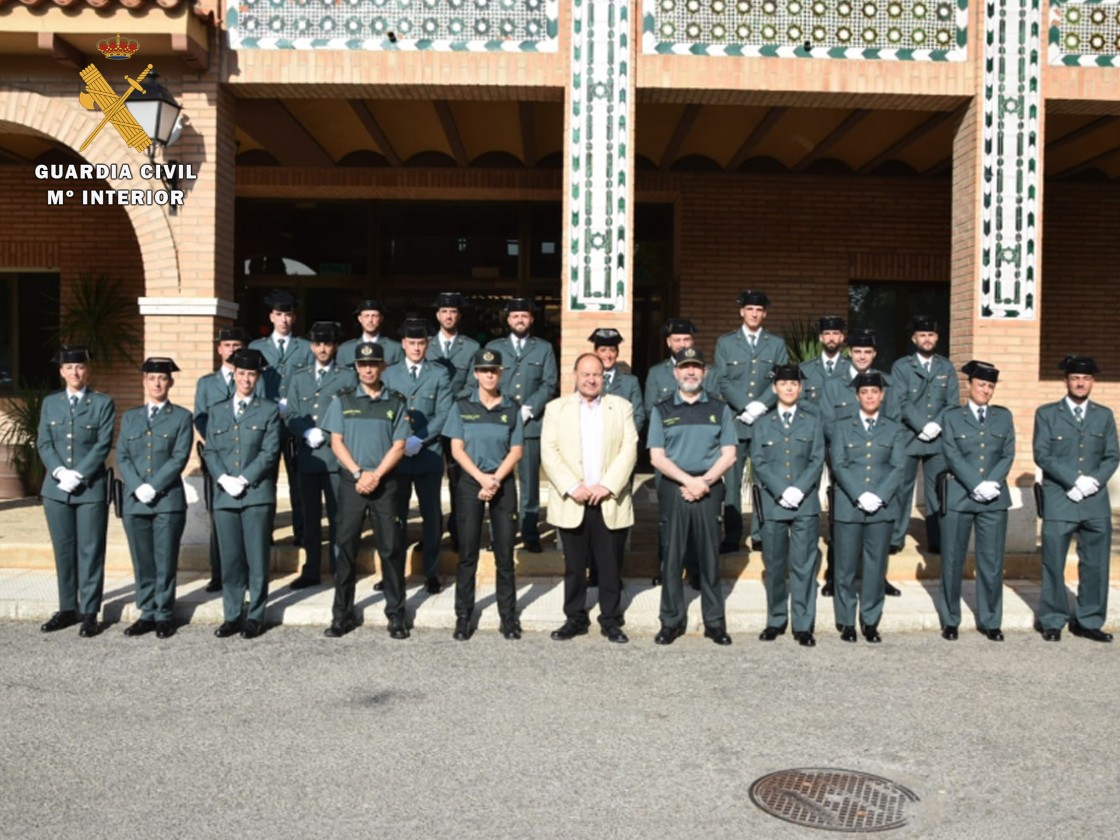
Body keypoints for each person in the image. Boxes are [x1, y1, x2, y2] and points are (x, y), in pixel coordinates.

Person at [542, 353, 639, 644]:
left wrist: (607, 486)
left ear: (603, 377)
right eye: (585, 374)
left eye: (596, 374)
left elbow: (629, 448)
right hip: (574, 499)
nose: (591, 379)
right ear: (575, 375)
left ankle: (610, 619)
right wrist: (573, 486)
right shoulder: (556, 409)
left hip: (608, 499)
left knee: (610, 565)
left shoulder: (620, 407)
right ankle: (575, 617)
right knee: (574, 565)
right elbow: (549, 451)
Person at [648, 348, 738, 646]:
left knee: (710, 557)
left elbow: (729, 454)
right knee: (672, 558)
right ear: (675, 372)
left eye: (696, 368)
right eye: (685, 367)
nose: (690, 373)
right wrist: (689, 481)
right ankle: (670, 621)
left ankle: (714, 622)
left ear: (704, 372)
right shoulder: (662, 410)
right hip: (675, 487)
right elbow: (657, 457)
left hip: (709, 488)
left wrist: (705, 481)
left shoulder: (719, 408)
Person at [321, 342, 409, 638]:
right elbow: (336, 441)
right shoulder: (342, 400)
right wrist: (359, 473)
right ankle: (341, 615)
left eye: (373, 364)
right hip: (351, 483)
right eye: (362, 364)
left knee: (391, 549)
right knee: (344, 549)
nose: (368, 369)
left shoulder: (396, 401)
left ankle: (396, 615)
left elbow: (399, 446)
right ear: (356, 367)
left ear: (382, 366)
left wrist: (375, 475)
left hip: (385, 484)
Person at [1033, 355, 1119, 643]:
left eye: (1085, 379)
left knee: (1096, 564)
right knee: (1053, 563)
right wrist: (1073, 480)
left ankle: (1089, 621)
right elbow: (1042, 454)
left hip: (1094, 502)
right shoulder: (1047, 413)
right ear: (1066, 381)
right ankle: (1053, 620)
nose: (1080, 383)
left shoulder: (1104, 415)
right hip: (1060, 498)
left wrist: (1093, 481)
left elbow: (1112, 455)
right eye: (1075, 378)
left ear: (1092, 381)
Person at [202, 348, 281, 640]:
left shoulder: (269, 410)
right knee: (231, 559)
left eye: (251, 374)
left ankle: (256, 616)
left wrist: (244, 478)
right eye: (242, 373)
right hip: (225, 496)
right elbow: (210, 450)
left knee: (257, 558)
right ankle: (233, 615)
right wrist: (223, 478)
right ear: (233, 375)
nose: (246, 379)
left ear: (257, 377)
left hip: (257, 494)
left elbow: (270, 452)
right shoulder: (217, 410)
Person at [444, 349, 524, 640]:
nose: (489, 375)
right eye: (483, 370)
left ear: (500, 373)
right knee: (467, 554)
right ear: (476, 374)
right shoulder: (462, 406)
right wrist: (481, 479)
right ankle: (463, 616)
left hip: (501, 483)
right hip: (470, 483)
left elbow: (517, 450)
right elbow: (456, 449)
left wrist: (495, 480)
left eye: (494, 370)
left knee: (504, 554)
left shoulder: (511, 408)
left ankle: (508, 617)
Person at [37, 345, 115, 638]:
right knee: (64, 550)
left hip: (90, 488)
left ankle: (90, 612)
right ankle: (67, 608)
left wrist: (79, 474)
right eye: (69, 368)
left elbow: (102, 443)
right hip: (57, 490)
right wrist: (59, 472)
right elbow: (44, 442)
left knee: (91, 551)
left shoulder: (102, 403)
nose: (74, 372)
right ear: (61, 372)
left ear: (88, 370)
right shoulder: (51, 403)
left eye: (80, 367)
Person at [817, 329, 899, 598]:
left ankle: (879, 578)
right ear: (849, 353)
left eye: (867, 352)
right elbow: (827, 423)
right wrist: (845, 445)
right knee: (840, 519)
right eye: (857, 352)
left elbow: (894, 419)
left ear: (874, 354)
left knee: (879, 520)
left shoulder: (886, 383)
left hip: (879, 462)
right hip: (843, 460)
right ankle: (835, 575)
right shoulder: (833, 384)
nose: (862, 357)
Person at [749, 364, 826, 647]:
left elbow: (817, 459)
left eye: (794, 384)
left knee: (804, 566)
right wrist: (782, 490)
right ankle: (776, 619)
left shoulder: (812, 421)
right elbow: (758, 460)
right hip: (773, 503)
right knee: (775, 564)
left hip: (804, 503)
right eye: (784, 384)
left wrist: (798, 490)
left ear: (801, 388)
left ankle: (803, 625)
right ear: (774, 388)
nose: (789, 388)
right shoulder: (762, 423)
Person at [937, 361, 1014, 642]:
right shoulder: (952, 417)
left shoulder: (1003, 417)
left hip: (993, 499)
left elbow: (1007, 453)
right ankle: (950, 620)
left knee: (992, 562)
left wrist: (991, 483)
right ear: (970, 386)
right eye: (981, 385)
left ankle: (991, 620)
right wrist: (975, 483)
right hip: (959, 495)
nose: (986, 390)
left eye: (990, 386)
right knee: (953, 560)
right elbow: (951, 453)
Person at [117, 358, 193, 639]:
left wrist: (155, 485)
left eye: (162, 378)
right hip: (135, 500)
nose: (157, 383)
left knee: (165, 559)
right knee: (142, 560)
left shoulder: (182, 417)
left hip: (167, 501)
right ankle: (146, 613)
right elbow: (122, 455)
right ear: (144, 382)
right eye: (152, 378)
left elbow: (179, 456)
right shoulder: (131, 417)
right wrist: (137, 486)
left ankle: (164, 614)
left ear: (170, 382)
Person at [828, 372, 907, 644]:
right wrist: (859, 494)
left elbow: (898, 466)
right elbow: (838, 464)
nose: (870, 396)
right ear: (857, 396)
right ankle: (847, 621)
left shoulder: (894, 428)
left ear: (882, 395)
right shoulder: (842, 427)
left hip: (881, 508)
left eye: (875, 391)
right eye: (865, 392)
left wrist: (879, 495)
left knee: (875, 568)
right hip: (849, 505)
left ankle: (870, 621)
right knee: (846, 567)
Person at [714, 290, 789, 554]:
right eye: (750, 309)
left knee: (763, 480)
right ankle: (732, 536)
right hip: (736, 421)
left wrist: (760, 405)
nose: (754, 313)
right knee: (732, 483)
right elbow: (722, 380)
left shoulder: (776, 343)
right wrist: (744, 406)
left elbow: (781, 379)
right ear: (742, 312)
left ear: (764, 313)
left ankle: (760, 534)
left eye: (759, 310)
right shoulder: (726, 343)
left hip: (765, 422)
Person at [382, 318, 453, 594]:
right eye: (411, 343)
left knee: (431, 516)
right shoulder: (389, 375)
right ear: (403, 344)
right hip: (398, 457)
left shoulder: (438, 374)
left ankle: (431, 573)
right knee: (395, 516)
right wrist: (402, 441)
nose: (416, 348)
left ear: (427, 344)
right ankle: (393, 572)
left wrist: (419, 439)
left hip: (428, 455)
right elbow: (387, 413)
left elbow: (443, 413)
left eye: (421, 343)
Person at [285, 321, 356, 589]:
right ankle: (311, 568)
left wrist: (325, 433)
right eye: (318, 344)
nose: (322, 349)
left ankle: (340, 569)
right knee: (310, 517)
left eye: (327, 344)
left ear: (335, 346)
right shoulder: (299, 376)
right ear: (312, 346)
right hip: (308, 458)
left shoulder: (347, 377)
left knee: (339, 516)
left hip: (335, 457)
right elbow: (291, 414)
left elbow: (350, 414)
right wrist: (305, 432)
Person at [485, 298, 557, 553]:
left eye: (524, 316)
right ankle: (499, 535)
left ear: (531, 319)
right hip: (499, 426)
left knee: (530, 485)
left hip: (530, 426)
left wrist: (530, 408)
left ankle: (529, 533)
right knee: (498, 482)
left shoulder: (544, 348)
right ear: (508, 320)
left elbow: (549, 383)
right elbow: (486, 381)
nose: (520, 320)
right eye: (515, 316)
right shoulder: (495, 347)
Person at [194, 326, 260, 592]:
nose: (232, 349)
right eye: (227, 345)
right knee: (219, 514)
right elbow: (200, 416)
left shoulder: (253, 377)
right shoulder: (207, 383)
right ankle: (219, 571)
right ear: (219, 349)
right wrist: (217, 441)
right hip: (217, 459)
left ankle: (248, 570)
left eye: (237, 345)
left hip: (247, 457)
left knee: (250, 516)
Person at [886, 316, 958, 555]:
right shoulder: (902, 366)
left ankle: (936, 539)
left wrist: (936, 425)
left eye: (931, 335)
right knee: (901, 489)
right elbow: (901, 401)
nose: (927, 339)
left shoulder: (946, 367)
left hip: (938, 438)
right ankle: (896, 538)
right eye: (922, 335)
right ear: (914, 338)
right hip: (908, 436)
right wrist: (921, 426)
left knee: (937, 489)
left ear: (937, 338)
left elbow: (952, 402)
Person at [249, 289, 312, 548]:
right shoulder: (256, 347)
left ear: (294, 318)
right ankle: (265, 534)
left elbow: (309, 383)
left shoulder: (305, 348)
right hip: (268, 422)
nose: (283, 319)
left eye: (288, 315)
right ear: (271, 317)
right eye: (279, 314)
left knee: (299, 482)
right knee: (266, 480)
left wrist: (294, 405)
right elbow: (251, 383)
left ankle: (301, 533)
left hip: (295, 421)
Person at [426, 292, 481, 551]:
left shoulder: (470, 347)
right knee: (430, 481)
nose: (449, 316)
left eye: (453, 312)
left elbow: (473, 384)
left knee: (459, 481)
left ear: (459, 315)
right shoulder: (425, 345)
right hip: (427, 424)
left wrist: (448, 407)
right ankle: (432, 533)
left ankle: (459, 532)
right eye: (444, 311)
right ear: (437, 315)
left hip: (459, 422)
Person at [643, 318, 700, 421]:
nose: (682, 345)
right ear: (669, 342)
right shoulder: (656, 373)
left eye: (686, 339)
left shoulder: (705, 372)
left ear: (692, 341)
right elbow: (650, 410)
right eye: (677, 340)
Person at [590, 328, 645, 433]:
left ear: (617, 353)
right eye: (603, 350)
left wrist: (626, 440)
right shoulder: (587, 380)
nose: (608, 355)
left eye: (612, 350)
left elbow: (638, 416)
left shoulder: (630, 382)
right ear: (596, 352)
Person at [337, 298, 404, 370]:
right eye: (366, 316)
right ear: (360, 319)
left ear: (381, 318)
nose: (370, 320)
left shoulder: (395, 349)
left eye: (374, 316)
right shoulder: (345, 350)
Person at [798, 316, 848, 411]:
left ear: (842, 337)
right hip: (814, 422)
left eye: (835, 333)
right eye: (827, 334)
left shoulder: (852, 368)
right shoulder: (805, 369)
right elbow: (799, 400)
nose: (831, 338)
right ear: (821, 338)